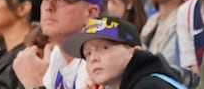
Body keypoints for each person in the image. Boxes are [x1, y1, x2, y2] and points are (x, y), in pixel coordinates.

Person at [13, 0, 102, 89]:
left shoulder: (101, 62)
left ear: (90, 13)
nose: (49, 7)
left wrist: (34, 84)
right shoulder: (55, 54)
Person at [61, 16, 189, 88]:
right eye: (87, 54)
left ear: (135, 51)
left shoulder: (150, 86)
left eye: (104, 48)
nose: (93, 58)